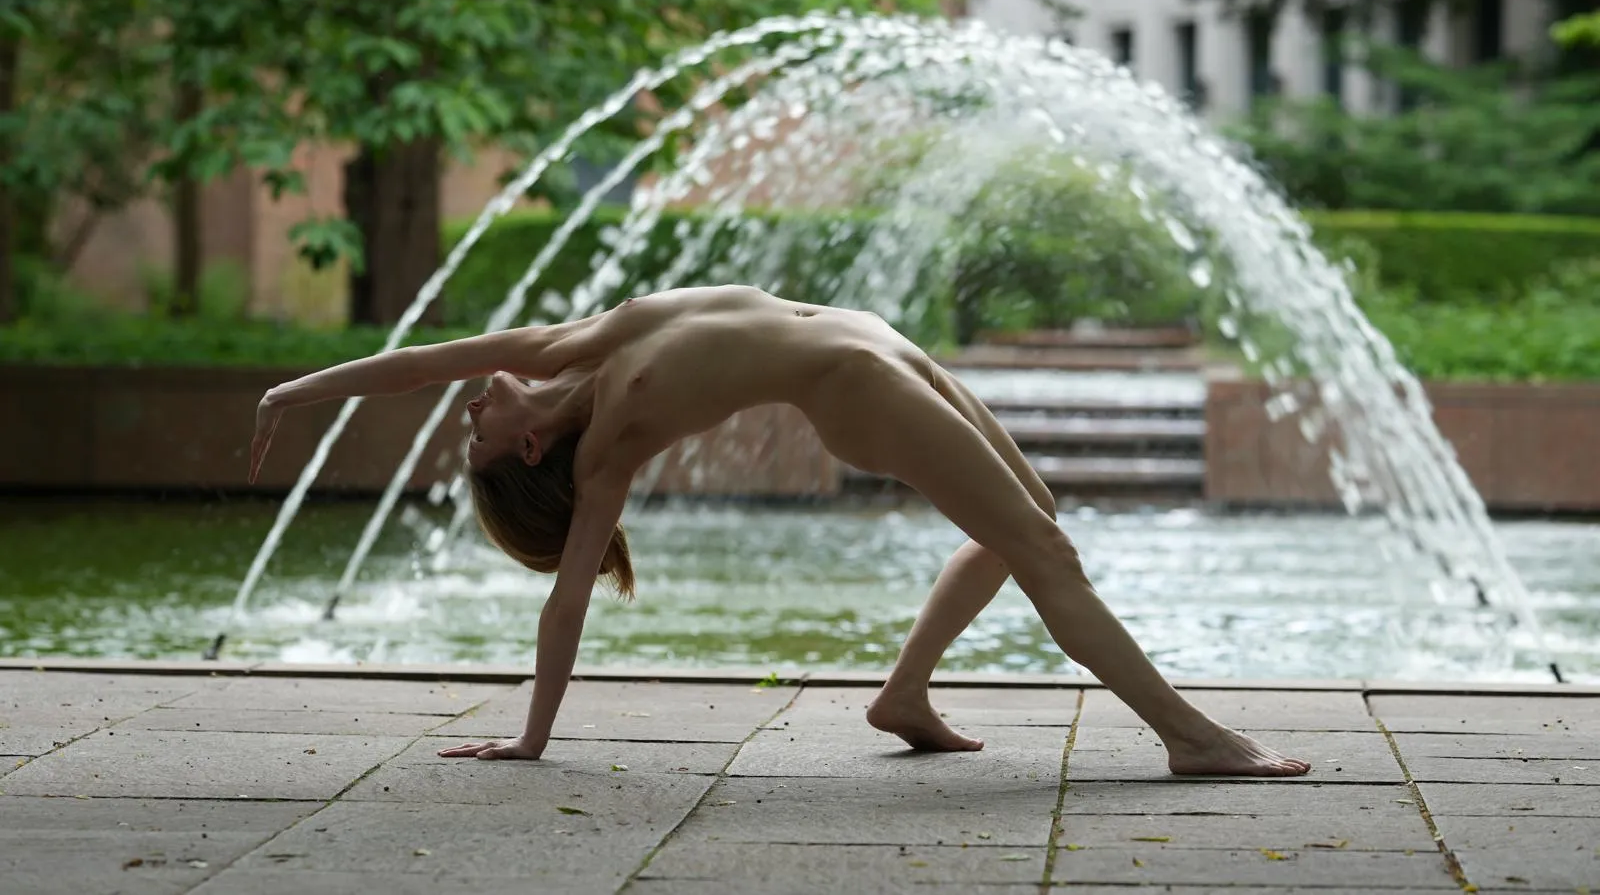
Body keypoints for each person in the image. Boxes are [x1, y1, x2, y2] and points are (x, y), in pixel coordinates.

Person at [250, 284, 1310, 777]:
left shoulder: (567, 345)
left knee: (1029, 526)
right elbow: (569, 595)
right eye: (475, 431)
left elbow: (420, 359)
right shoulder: (610, 446)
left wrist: (290, 393)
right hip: (855, 387)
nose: (470, 405)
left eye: (470, 414)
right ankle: (1189, 737)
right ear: (527, 453)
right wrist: (531, 736)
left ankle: (903, 696)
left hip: (877, 346)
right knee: (1046, 554)